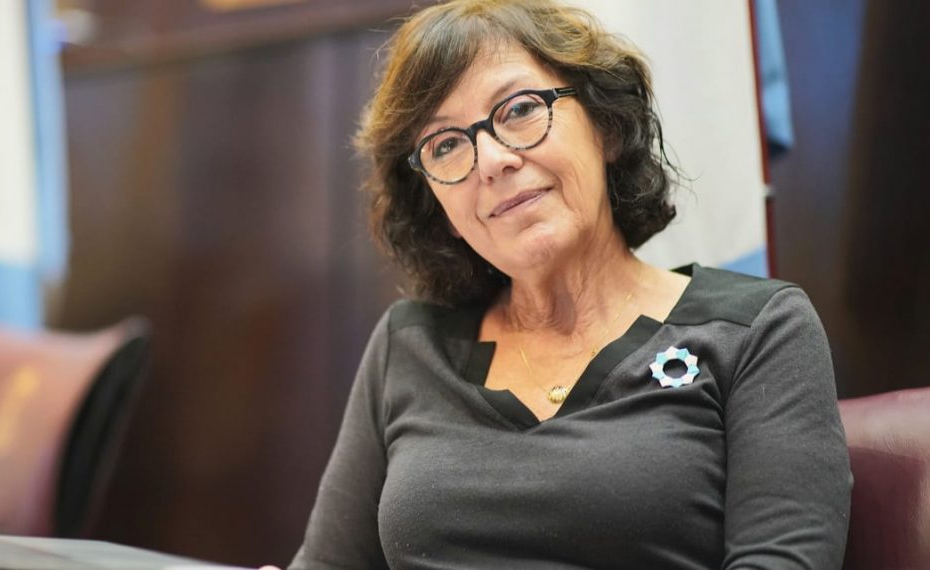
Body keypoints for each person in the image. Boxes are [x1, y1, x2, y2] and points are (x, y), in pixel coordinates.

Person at [283, 0, 852, 568]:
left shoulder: (756, 330)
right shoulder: (408, 346)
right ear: (439, 205)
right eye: (446, 145)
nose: (491, 160)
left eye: (519, 109)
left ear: (606, 127)